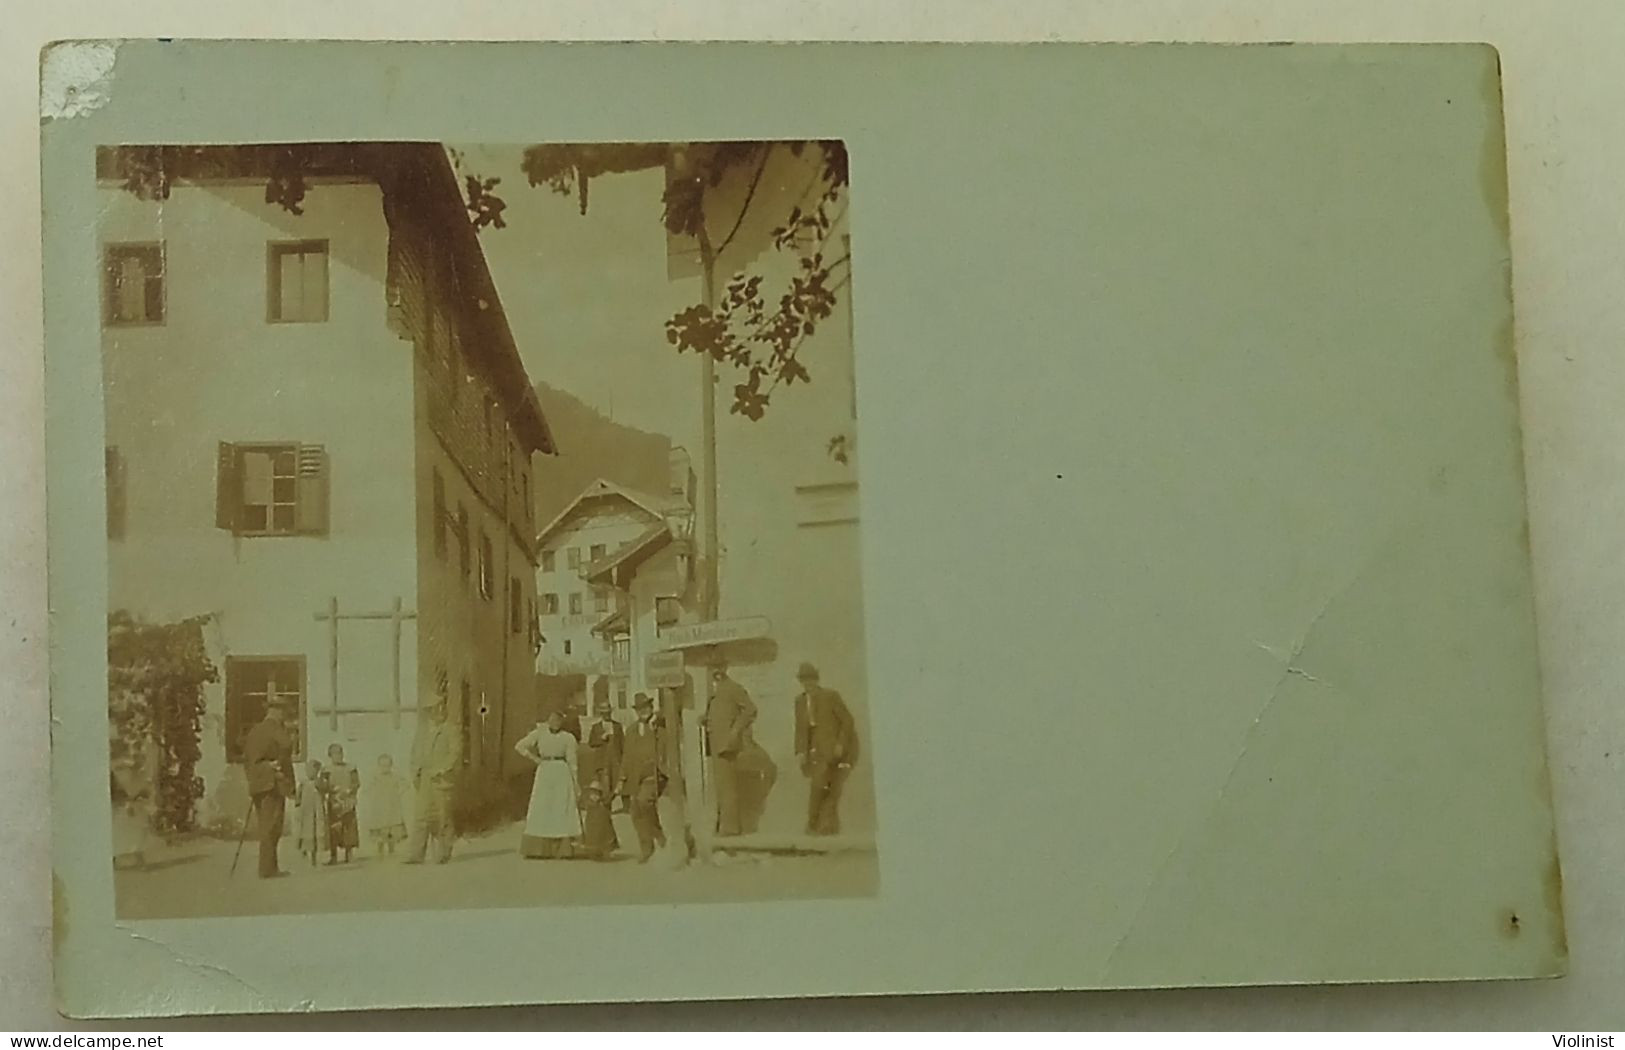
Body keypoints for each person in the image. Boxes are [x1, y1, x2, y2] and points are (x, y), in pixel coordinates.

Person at [793, 662, 860, 836]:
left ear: (817, 679)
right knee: (820, 786)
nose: (809, 684)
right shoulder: (800, 702)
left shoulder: (830, 696)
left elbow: (847, 721)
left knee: (831, 788)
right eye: (804, 680)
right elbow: (800, 729)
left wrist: (841, 744)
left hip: (839, 751)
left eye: (811, 680)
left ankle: (817, 827)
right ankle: (820, 827)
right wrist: (801, 751)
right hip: (816, 751)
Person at [515, 709, 582, 858]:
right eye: (552, 720)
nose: (555, 723)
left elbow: (573, 761)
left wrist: (576, 782)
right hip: (545, 771)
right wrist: (535, 759)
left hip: (562, 772)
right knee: (542, 806)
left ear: (562, 722)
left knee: (561, 807)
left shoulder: (568, 738)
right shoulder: (540, 733)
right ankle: (540, 849)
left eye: (558, 720)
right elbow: (520, 746)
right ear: (547, 720)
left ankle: (562, 849)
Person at [702, 660, 757, 837]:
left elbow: (750, 709)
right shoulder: (713, 691)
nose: (716, 671)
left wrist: (735, 730)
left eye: (720, 668)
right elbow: (719, 714)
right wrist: (705, 719)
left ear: (725, 668)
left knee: (728, 787)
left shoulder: (733, 688)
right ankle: (724, 826)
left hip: (727, 745)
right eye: (713, 668)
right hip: (715, 744)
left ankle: (731, 829)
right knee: (721, 787)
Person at [240, 703, 295, 878]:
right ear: (276, 712)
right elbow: (287, 745)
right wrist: (276, 764)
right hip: (272, 784)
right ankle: (267, 869)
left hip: (258, 784)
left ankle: (270, 868)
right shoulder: (274, 728)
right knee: (272, 827)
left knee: (267, 826)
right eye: (283, 713)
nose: (284, 717)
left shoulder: (254, 731)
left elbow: (248, 759)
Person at [405, 694, 461, 865]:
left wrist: (442, 769)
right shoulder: (422, 732)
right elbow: (414, 753)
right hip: (424, 780)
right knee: (421, 817)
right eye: (433, 709)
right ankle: (416, 854)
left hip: (441, 780)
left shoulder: (450, 729)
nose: (437, 711)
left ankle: (444, 853)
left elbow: (455, 753)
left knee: (443, 817)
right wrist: (415, 771)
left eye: (439, 707)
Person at [617, 692, 667, 862]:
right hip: (634, 776)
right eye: (640, 709)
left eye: (646, 707)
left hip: (653, 775)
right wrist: (622, 778)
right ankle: (646, 848)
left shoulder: (659, 727)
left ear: (651, 708)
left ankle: (658, 833)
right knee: (635, 812)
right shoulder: (631, 730)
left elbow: (669, 719)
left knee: (645, 801)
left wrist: (656, 723)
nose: (643, 711)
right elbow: (626, 756)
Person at [320, 743, 361, 865]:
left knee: (349, 827)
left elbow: (356, 782)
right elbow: (322, 784)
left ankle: (349, 854)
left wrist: (350, 790)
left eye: (340, 753)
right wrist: (331, 789)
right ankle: (334, 856)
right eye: (335, 754)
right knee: (334, 828)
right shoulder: (326, 770)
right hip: (334, 801)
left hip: (347, 800)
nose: (338, 756)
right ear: (330, 756)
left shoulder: (350, 767)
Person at [363, 753, 408, 857]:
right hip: (380, 806)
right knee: (380, 828)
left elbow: (405, 783)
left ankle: (391, 849)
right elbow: (367, 787)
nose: (385, 768)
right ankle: (380, 849)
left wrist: (399, 792)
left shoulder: (394, 776)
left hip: (392, 805)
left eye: (387, 766)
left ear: (391, 766)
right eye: (382, 766)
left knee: (391, 828)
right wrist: (372, 795)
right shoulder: (376, 777)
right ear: (379, 766)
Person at [293, 758, 328, 865]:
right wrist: (298, 804)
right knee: (306, 831)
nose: (309, 773)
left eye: (313, 771)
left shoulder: (319, 782)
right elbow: (298, 796)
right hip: (306, 811)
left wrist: (320, 777)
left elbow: (324, 789)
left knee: (318, 830)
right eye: (307, 770)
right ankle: (305, 850)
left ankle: (316, 856)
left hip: (317, 810)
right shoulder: (303, 783)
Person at [578, 777, 617, 861]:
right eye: (592, 795)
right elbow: (582, 805)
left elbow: (608, 800)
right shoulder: (589, 804)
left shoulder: (601, 804)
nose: (595, 797)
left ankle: (605, 851)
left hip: (603, 825)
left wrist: (615, 793)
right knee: (593, 837)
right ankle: (594, 852)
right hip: (592, 824)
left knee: (605, 836)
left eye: (597, 795)